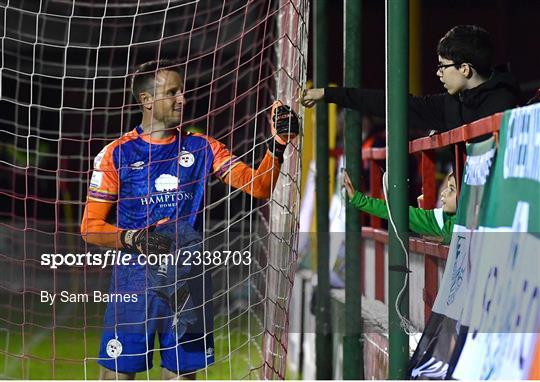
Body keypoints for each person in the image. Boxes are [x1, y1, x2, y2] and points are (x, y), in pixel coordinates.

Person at [80, 59, 299, 380]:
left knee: (182, 376)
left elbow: (259, 186)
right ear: (147, 101)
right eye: (172, 92)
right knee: (116, 376)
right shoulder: (116, 154)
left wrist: (277, 146)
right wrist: (132, 238)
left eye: (182, 90)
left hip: (187, 284)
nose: (182, 98)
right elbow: (90, 229)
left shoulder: (202, 147)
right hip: (134, 285)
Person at [301, 25, 520, 135]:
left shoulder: (508, 107)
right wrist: (327, 94)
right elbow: (393, 104)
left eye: (442, 66)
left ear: (464, 69)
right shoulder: (452, 103)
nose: (438, 73)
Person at [343, 171, 457, 244]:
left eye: (451, 189)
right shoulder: (438, 219)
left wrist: (448, 239)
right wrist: (358, 200)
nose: (443, 193)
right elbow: (398, 212)